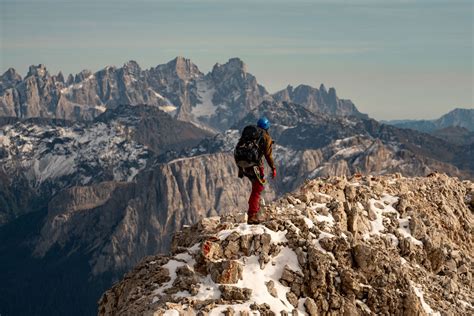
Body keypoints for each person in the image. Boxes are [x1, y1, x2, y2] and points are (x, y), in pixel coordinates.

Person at [235, 116, 276, 224]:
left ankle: (253, 210)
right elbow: (268, 156)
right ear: (267, 127)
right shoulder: (266, 137)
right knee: (258, 188)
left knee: (255, 187)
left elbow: (238, 148)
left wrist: (240, 168)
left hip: (242, 164)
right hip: (254, 165)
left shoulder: (249, 134)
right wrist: (273, 168)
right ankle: (252, 215)